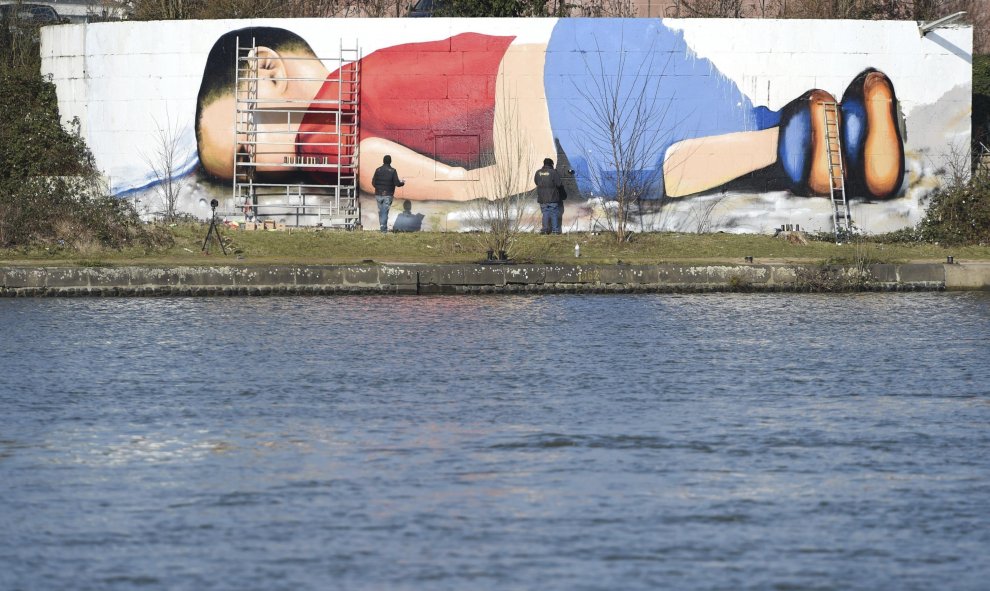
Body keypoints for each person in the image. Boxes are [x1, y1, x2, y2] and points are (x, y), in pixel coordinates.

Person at [195, 24, 905, 205]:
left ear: (267, 68)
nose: (267, 168)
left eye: (251, 147)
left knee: (662, 167)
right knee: (723, 125)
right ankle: (836, 123)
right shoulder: (366, 74)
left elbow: (445, 180)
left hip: (560, 113)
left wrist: (498, 182)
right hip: (576, 54)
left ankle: (805, 143)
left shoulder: (331, 122)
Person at [371, 155, 404, 232]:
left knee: (381, 212)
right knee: (385, 212)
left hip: (378, 194)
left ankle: (382, 227)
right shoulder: (393, 171)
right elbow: (397, 183)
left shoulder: (378, 170)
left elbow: (373, 183)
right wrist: (402, 183)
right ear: (390, 161)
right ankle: (383, 230)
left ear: (383, 161)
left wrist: (378, 188)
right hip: (388, 194)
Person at [534, 158, 564, 234]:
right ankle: (555, 231)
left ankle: (545, 230)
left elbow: (536, 182)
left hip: (542, 198)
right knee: (554, 213)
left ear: (544, 164)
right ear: (551, 164)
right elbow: (559, 184)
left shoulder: (538, 172)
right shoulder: (553, 172)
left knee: (545, 213)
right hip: (553, 197)